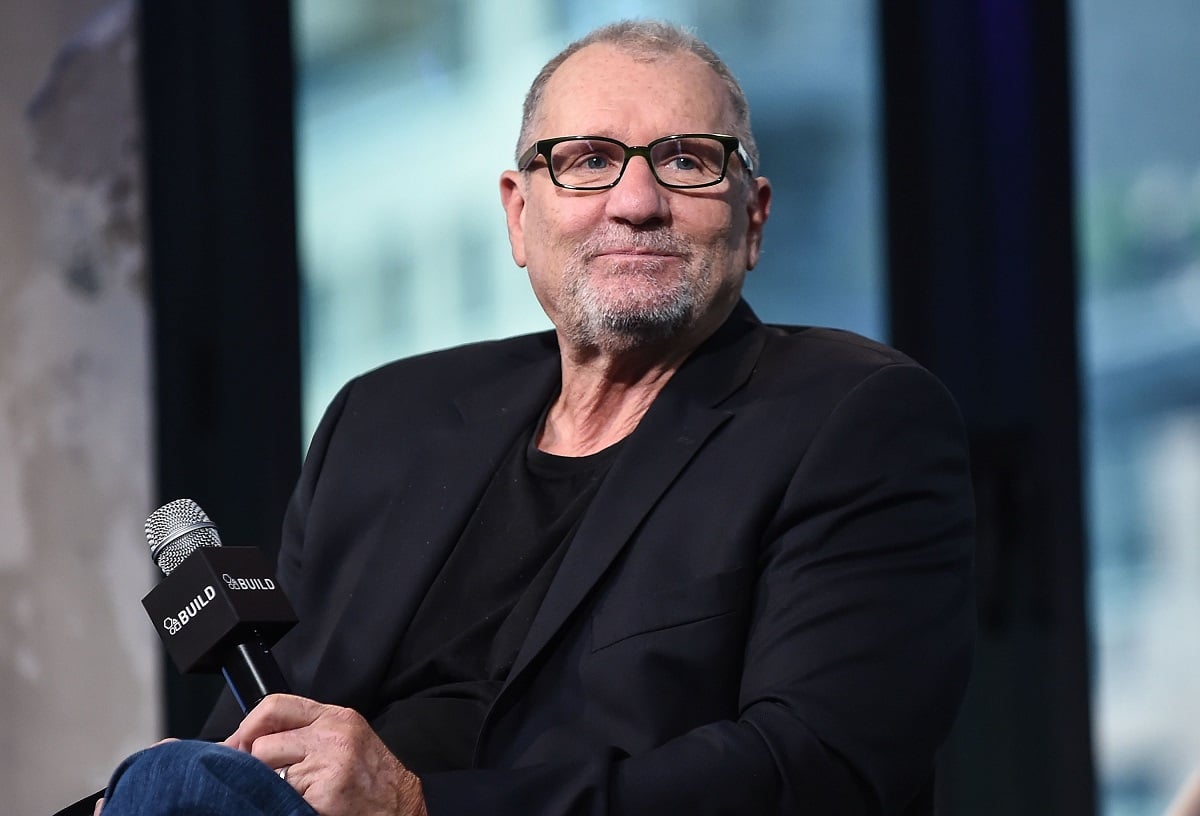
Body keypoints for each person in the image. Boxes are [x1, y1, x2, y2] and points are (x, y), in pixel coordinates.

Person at [96, 19, 975, 816]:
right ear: (521, 216)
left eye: (687, 160)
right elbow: (242, 748)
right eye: (589, 160)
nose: (635, 201)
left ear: (753, 218)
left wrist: (416, 806)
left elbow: (815, 774)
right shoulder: (385, 420)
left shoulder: (852, 419)